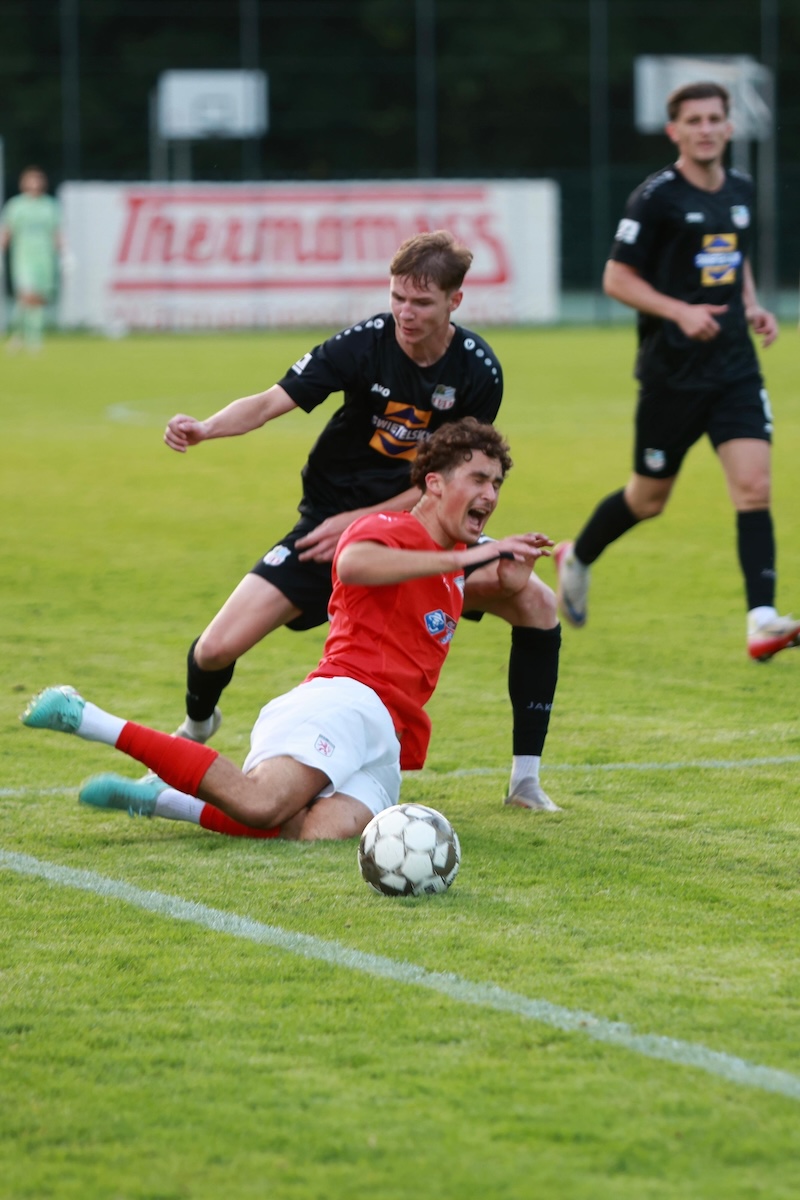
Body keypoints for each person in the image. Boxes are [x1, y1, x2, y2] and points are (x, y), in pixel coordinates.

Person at [164, 229, 562, 809]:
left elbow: (444, 479)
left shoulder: (477, 372)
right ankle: (197, 725)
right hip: (326, 531)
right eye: (397, 296)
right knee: (214, 649)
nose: (404, 312)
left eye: (421, 302)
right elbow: (271, 401)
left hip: (420, 534)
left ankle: (525, 781)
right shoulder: (363, 344)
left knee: (537, 602)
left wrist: (356, 521)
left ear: (455, 300)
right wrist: (206, 428)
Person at [22, 419, 558, 841]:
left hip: (389, 738)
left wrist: (504, 578)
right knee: (263, 804)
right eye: (478, 479)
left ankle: (164, 800)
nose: (491, 494)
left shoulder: (452, 559)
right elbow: (353, 564)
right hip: (345, 701)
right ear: (434, 483)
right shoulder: (389, 529)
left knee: (313, 833)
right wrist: (468, 558)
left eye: (497, 483)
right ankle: (86, 717)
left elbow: (471, 591)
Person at [555, 80, 797, 664]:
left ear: (729, 127)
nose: (706, 129)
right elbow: (616, 278)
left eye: (715, 119)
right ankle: (578, 557)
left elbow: (732, 257)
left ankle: (762, 620)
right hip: (672, 376)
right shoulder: (654, 198)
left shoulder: (740, 189)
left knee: (754, 487)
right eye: (694, 120)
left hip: (735, 370)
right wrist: (680, 312)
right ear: (675, 131)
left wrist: (751, 306)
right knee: (647, 499)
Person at [0, 166, 62, 353]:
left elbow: (56, 232)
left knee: (39, 298)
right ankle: (24, 335)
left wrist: (66, 254)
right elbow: (7, 231)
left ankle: (30, 336)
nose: (35, 184)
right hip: (23, 257)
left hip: (45, 258)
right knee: (27, 295)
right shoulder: (16, 205)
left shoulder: (49, 206)